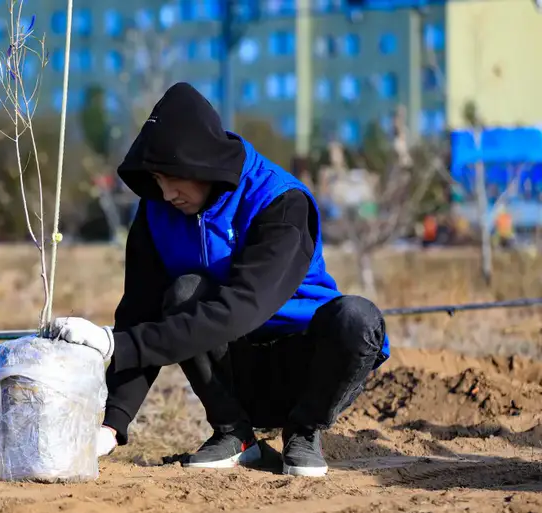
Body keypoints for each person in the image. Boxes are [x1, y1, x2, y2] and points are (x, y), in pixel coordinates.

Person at [50, 82, 390, 477]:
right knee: (184, 291)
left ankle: (304, 431)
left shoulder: (280, 202)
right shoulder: (157, 213)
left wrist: (115, 344)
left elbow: (243, 307)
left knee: (358, 319)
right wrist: (113, 424)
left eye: (172, 178)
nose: (166, 193)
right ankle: (234, 433)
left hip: (307, 364)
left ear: (202, 162)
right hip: (232, 369)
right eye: (156, 180)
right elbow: (140, 312)